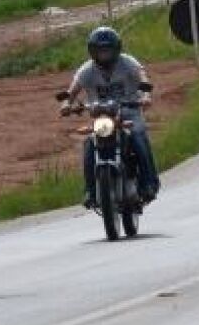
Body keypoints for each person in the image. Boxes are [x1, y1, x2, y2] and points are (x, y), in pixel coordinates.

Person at [59, 26, 160, 210]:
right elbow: (72, 90)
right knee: (89, 144)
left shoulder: (127, 63)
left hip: (129, 111)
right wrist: (66, 104)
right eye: (100, 50)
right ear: (92, 51)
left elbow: (142, 76)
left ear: (116, 49)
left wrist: (145, 96)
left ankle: (149, 183)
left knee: (137, 136)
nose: (104, 54)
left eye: (108, 50)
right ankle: (90, 190)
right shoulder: (87, 70)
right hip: (101, 116)